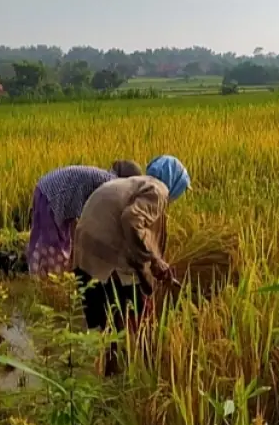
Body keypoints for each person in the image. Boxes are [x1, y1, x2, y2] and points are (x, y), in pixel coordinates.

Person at [71, 154, 191, 375]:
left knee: (104, 325)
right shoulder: (158, 190)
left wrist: (151, 262)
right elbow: (131, 220)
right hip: (105, 257)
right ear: (174, 182)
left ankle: (104, 378)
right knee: (127, 312)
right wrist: (154, 260)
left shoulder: (136, 184)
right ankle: (138, 368)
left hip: (84, 252)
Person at [26, 160, 142, 277]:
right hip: (51, 195)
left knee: (67, 243)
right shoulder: (113, 184)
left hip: (50, 190)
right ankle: (46, 281)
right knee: (51, 244)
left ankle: (55, 279)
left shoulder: (107, 180)